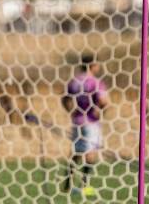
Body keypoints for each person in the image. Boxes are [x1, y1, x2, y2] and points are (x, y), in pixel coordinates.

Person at [61, 54, 108, 197]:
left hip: (77, 120)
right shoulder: (95, 82)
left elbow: (65, 99)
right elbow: (104, 100)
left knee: (76, 152)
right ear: (92, 65)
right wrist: (99, 110)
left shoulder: (74, 81)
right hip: (91, 121)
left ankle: (67, 183)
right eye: (97, 64)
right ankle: (85, 187)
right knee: (90, 154)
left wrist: (71, 111)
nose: (99, 67)